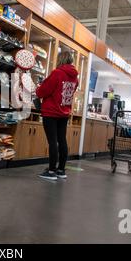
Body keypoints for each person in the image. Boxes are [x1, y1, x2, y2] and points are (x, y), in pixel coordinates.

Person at [36, 51, 79, 180]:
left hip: (51, 112)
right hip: (64, 113)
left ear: (60, 59)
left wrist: (38, 89)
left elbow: (43, 91)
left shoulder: (57, 73)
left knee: (52, 142)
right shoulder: (75, 78)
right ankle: (61, 170)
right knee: (62, 140)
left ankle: (51, 171)